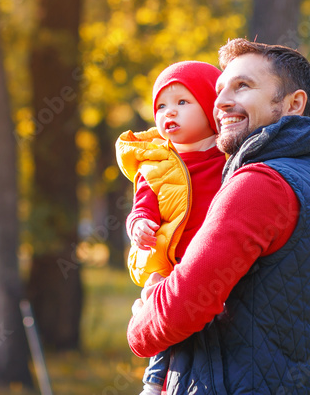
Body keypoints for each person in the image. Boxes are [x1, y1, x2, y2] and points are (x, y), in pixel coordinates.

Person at [127, 38, 310, 394]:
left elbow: (184, 305)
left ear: (293, 104)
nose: (222, 101)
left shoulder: (259, 183)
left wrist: (139, 323)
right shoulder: (309, 175)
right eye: (219, 90)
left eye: (243, 87)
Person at [116, 61, 226, 395]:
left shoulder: (229, 158)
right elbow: (142, 207)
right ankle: (154, 383)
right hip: (172, 265)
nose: (169, 113)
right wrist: (139, 225)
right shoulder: (157, 165)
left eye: (182, 102)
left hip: (216, 262)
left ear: (210, 106)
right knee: (167, 320)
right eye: (161, 106)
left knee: (208, 333)